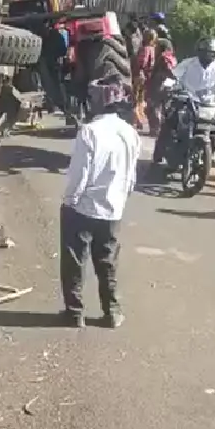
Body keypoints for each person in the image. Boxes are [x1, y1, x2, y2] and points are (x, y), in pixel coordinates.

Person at [61, 76, 140, 329]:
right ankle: (112, 312)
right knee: (107, 263)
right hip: (112, 208)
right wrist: (121, 199)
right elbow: (131, 175)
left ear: (96, 101)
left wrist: (69, 202)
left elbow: (79, 174)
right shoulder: (130, 133)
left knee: (75, 261)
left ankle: (75, 313)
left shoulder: (89, 131)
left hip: (84, 207)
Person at [151, 36, 215, 169]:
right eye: (205, 52)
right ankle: (159, 154)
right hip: (186, 101)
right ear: (199, 51)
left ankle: (210, 154)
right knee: (170, 122)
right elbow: (174, 76)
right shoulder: (188, 63)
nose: (208, 55)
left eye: (211, 53)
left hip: (208, 105)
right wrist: (169, 85)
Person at [133, 28, 158, 131]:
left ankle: (138, 120)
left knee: (136, 99)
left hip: (140, 76)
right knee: (142, 99)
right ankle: (141, 120)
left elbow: (142, 62)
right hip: (148, 77)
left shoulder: (145, 49)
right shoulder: (153, 49)